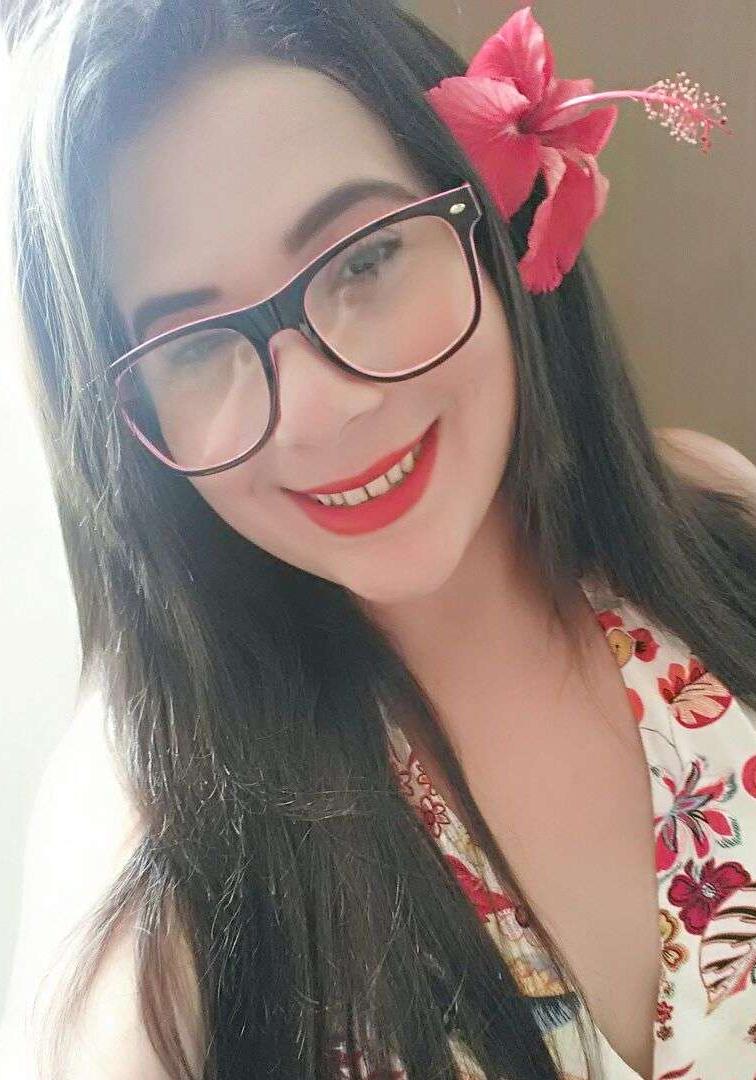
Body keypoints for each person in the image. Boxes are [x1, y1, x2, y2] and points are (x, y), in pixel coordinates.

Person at [1, 2, 755, 1078]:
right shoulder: (157, 842)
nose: (318, 411)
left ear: (492, 222)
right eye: (193, 347)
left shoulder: (712, 525)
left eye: (366, 258)